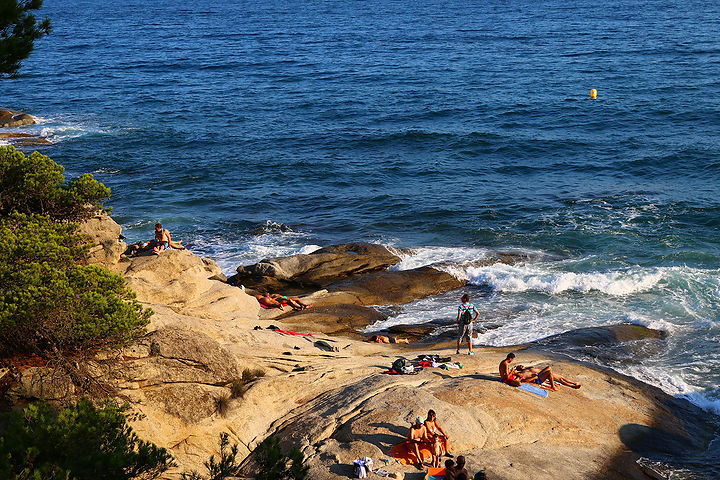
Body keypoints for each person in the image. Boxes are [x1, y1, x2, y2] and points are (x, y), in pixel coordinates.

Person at [514, 364, 581, 390]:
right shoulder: (522, 373)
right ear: (518, 369)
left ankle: (574, 383)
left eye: (520, 365)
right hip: (539, 377)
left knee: (561, 377)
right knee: (559, 378)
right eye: (518, 366)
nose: (520, 365)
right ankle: (572, 385)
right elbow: (523, 380)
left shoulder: (527, 368)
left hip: (541, 373)